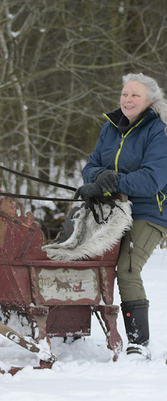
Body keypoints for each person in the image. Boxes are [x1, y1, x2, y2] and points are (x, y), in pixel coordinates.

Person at [75, 73, 167, 360]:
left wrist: (114, 181)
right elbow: (91, 165)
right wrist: (100, 177)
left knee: (127, 268)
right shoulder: (110, 128)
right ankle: (72, 328)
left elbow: (153, 179)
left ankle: (139, 343)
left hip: (149, 211)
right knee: (80, 256)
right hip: (109, 210)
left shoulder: (158, 130)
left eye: (135, 95)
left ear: (150, 100)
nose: (127, 100)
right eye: (125, 94)